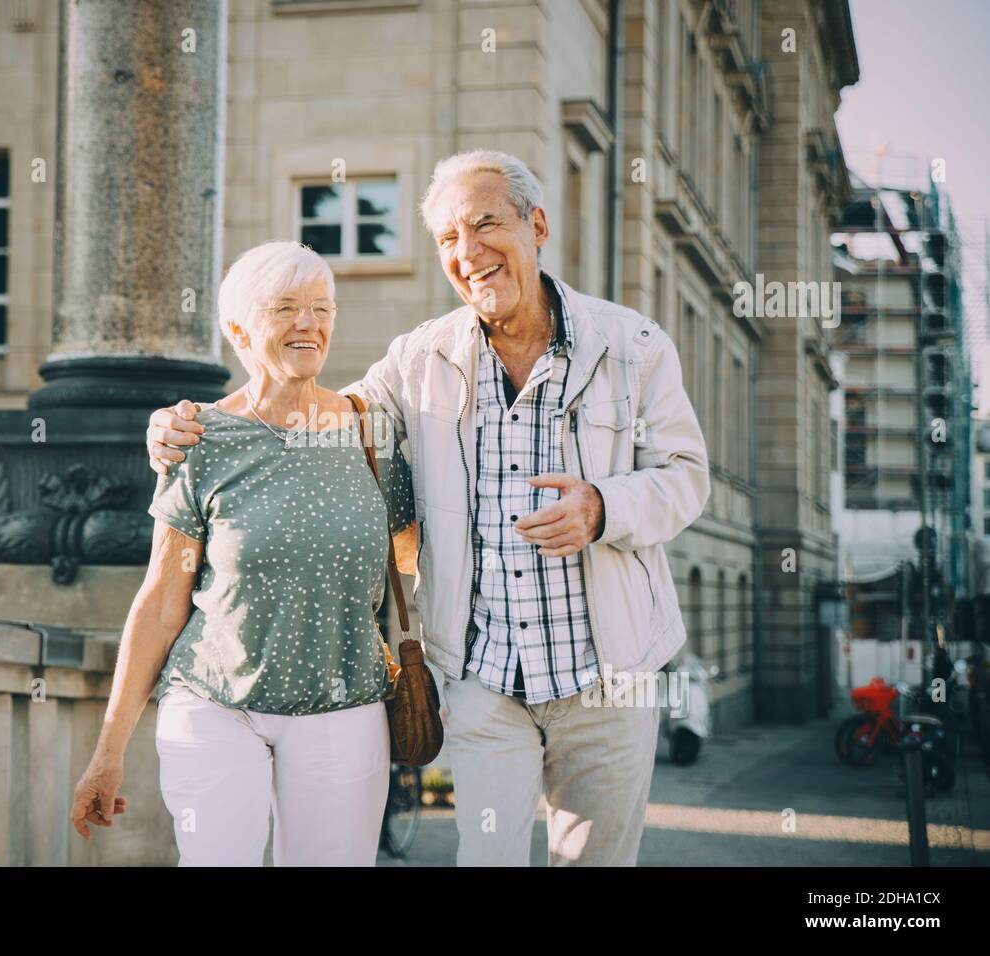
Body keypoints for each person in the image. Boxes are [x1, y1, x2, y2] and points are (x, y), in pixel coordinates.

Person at [147, 150, 710, 866]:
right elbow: (324, 415)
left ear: (536, 224)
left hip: (610, 677)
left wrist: (603, 506)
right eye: (448, 238)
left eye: (485, 224)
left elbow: (686, 476)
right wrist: (188, 426)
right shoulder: (420, 357)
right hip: (482, 684)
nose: (468, 252)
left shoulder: (632, 346)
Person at [71, 240, 416, 866]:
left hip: (345, 703)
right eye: (285, 308)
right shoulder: (199, 437)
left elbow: (414, 553)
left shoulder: (373, 434)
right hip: (214, 702)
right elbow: (160, 602)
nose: (308, 324)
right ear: (238, 328)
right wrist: (108, 751)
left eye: (321, 308)